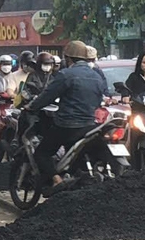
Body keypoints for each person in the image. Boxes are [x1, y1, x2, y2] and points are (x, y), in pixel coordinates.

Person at [24, 40, 107, 197]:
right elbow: (98, 101)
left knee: (42, 153)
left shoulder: (66, 75)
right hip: (89, 126)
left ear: (68, 58)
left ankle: (56, 180)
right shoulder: (96, 76)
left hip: (66, 126)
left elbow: (48, 96)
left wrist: (32, 107)